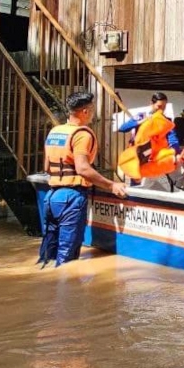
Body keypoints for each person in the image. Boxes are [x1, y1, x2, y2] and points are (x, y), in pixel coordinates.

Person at [38, 91, 127, 268]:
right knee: (67, 255)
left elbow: (48, 167)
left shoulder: (55, 131)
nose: (94, 114)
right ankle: (65, 290)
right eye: (93, 110)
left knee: (48, 252)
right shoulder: (82, 134)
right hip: (71, 197)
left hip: (51, 197)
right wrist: (112, 185)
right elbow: (83, 168)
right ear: (85, 111)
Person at [116, 92, 182, 182]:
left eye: (164, 107)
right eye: (159, 106)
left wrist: (176, 152)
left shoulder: (166, 121)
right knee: (136, 180)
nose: (161, 110)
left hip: (155, 157)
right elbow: (123, 128)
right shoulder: (141, 116)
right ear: (151, 103)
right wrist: (140, 122)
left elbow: (173, 139)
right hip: (139, 154)